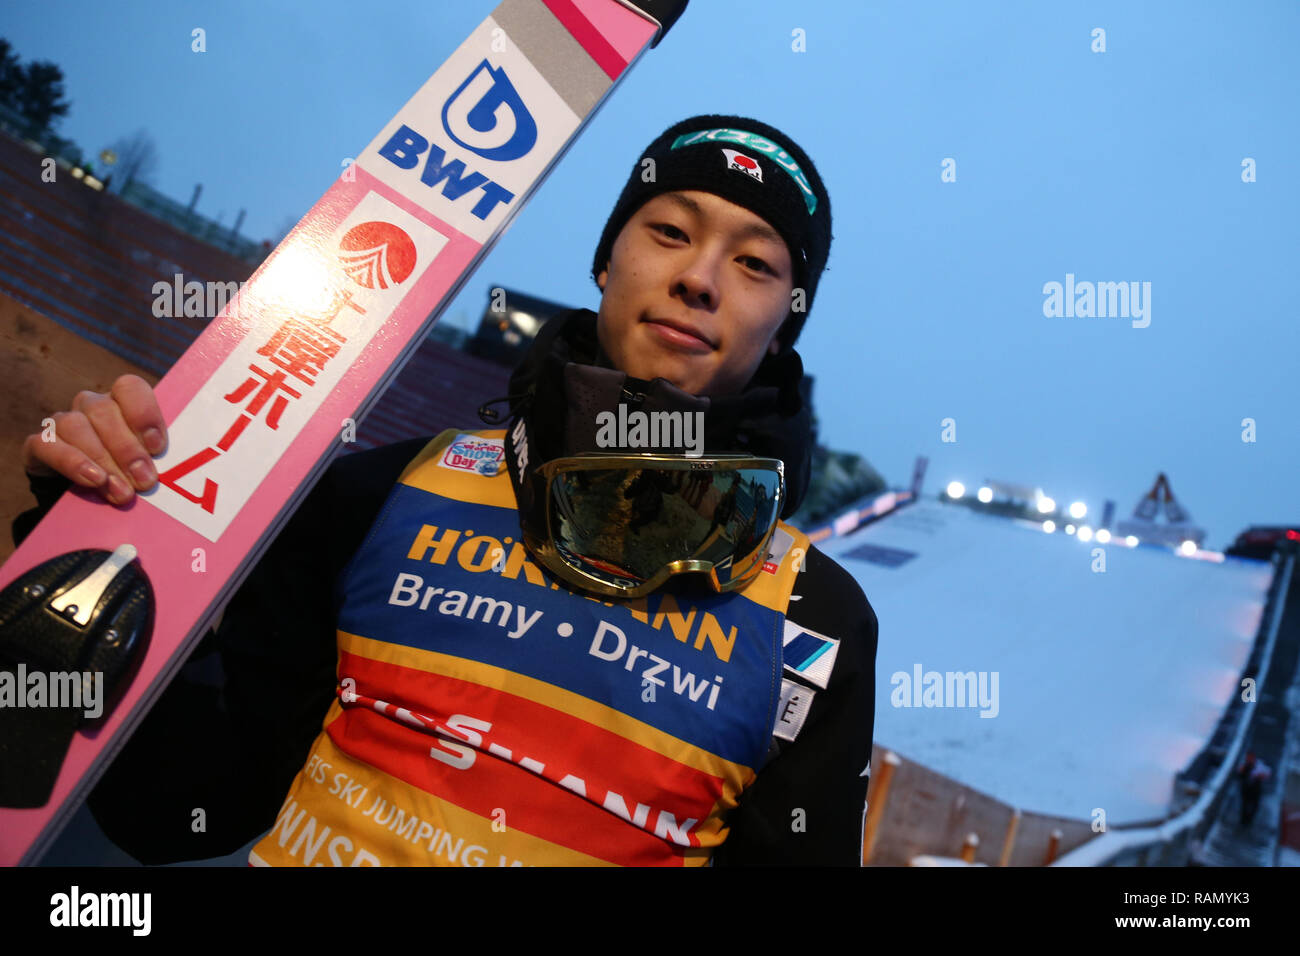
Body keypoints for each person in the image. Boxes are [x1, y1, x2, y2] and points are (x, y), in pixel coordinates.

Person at [15, 114, 878, 866]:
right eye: (669, 231)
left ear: (783, 327)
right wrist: (91, 538)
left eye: (757, 263)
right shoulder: (384, 492)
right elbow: (180, 809)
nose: (700, 278)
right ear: (605, 262)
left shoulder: (814, 620)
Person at [1236, 750, 1271, 827]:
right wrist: (1241, 772)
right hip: (1246, 788)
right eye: (1248, 758)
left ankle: (1249, 820)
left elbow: (1267, 773)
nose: (1249, 759)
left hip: (1256, 789)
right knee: (1244, 805)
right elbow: (1239, 776)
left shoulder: (1260, 765)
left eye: (1251, 758)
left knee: (1254, 806)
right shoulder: (1244, 765)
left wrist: (1261, 776)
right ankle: (1243, 821)